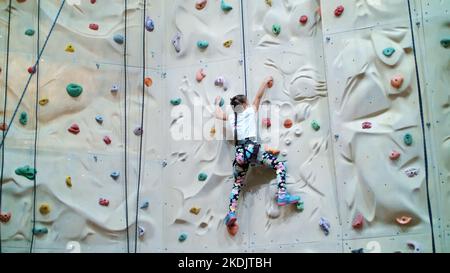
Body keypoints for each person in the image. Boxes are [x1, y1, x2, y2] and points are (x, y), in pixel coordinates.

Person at [214, 76, 300, 236]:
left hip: (239, 153)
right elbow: (259, 96)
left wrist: (216, 101)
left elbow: (218, 115)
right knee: (280, 166)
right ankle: (282, 194)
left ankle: (231, 213)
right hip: (253, 149)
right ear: (244, 104)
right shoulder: (250, 110)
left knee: (237, 184)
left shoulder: (232, 117)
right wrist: (266, 80)